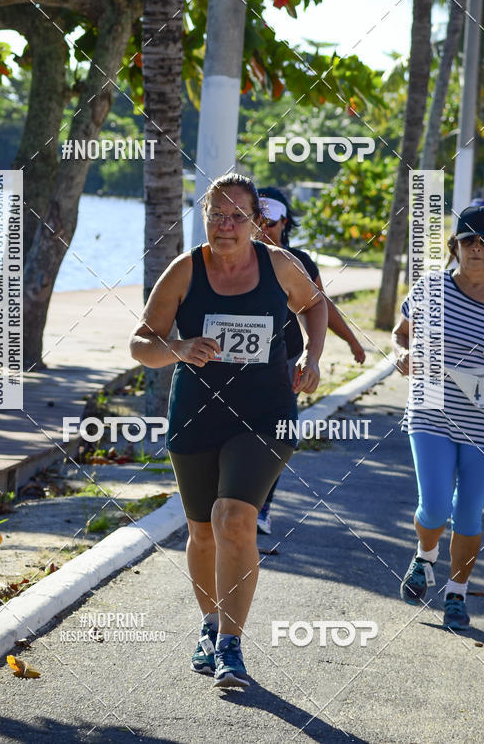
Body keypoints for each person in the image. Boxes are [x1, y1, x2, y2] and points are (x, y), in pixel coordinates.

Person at [129, 174, 328, 687]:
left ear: (254, 222)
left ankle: (231, 646)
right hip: (198, 413)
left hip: (266, 413)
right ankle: (211, 622)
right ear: (204, 218)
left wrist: (313, 353)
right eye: (216, 214)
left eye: (237, 216)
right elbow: (140, 344)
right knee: (200, 530)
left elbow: (314, 304)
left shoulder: (280, 266)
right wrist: (177, 348)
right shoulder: (184, 270)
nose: (225, 225)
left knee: (233, 517)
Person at [392, 204, 484, 629]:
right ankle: (424, 555)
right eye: (468, 241)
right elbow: (401, 332)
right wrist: (401, 354)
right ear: (455, 247)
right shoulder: (431, 288)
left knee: (468, 513)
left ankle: (457, 595)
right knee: (435, 506)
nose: (477, 250)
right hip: (431, 409)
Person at [255, 187, 366, 534]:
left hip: (283, 361)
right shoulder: (234, 257)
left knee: (275, 434)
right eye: (256, 219)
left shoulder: (297, 261)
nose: (263, 228)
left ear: (284, 222)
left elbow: (320, 307)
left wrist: (347, 342)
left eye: (270, 222)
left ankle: (261, 507)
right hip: (233, 364)